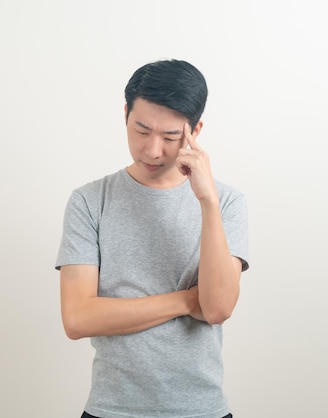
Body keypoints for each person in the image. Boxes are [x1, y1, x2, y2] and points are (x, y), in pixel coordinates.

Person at [55, 59, 249, 418]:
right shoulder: (89, 200)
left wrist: (207, 202)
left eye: (171, 137)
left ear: (196, 131)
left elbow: (218, 307)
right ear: (126, 114)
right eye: (141, 131)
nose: (153, 150)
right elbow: (78, 318)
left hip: (202, 410)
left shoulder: (228, 203)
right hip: (110, 410)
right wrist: (188, 301)